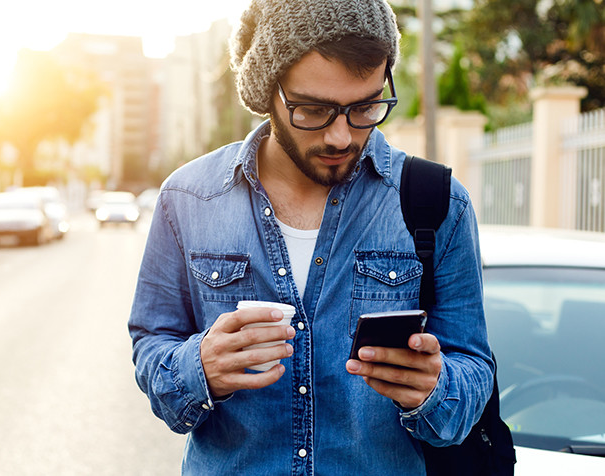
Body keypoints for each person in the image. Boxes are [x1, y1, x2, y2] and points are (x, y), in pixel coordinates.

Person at [128, 0, 494, 473]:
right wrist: (199, 368)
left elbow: (474, 369)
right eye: (314, 110)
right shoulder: (188, 198)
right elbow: (151, 343)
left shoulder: (440, 203)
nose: (341, 136)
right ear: (267, 91)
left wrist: (437, 389)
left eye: (365, 106)